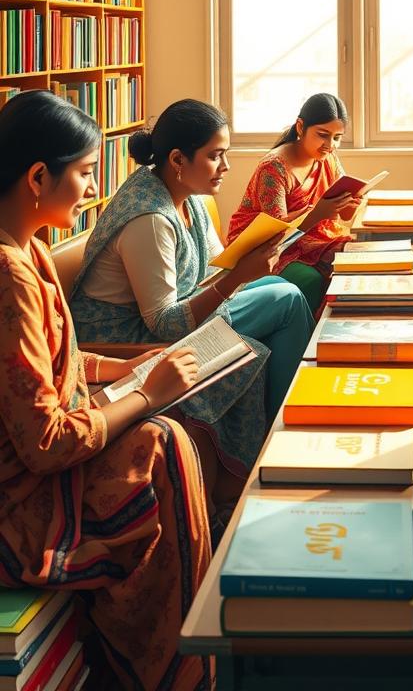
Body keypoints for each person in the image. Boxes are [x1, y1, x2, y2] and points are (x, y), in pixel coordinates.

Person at [0, 91, 211, 690]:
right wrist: (146, 394)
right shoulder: (10, 272)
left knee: (160, 441)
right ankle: (163, 664)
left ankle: (175, 649)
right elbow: (44, 443)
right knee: (160, 447)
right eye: (87, 173)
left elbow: (50, 362)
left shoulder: (30, 248)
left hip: (46, 452)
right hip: (20, 498)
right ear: (39, 177)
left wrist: (122, 369)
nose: (95, 188)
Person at [70, 100, 315, 491]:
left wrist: (247, 263)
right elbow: (164, 325)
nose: (226, 167)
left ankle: (289, 422)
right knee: (284, 299)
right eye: (216, 156)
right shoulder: (149, 219)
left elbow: (214, 267)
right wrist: (238, 277)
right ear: (178, 159)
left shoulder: (189, 198)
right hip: (130, 338)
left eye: (226, 155)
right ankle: (288, 428)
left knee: (282, 287)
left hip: (164, 317)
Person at [227, 93, 360, 311]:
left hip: (311, 237)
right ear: (300, 127)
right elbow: (276, 234)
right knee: (313, 278)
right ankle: (309, 340)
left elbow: (343, 217)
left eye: (337, 137)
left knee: (353, 257)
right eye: (322, 135)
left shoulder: (327, 158)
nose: (330, 145)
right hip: (265, 249)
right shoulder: (274, 168)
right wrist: (318, 213)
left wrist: (348, 203)